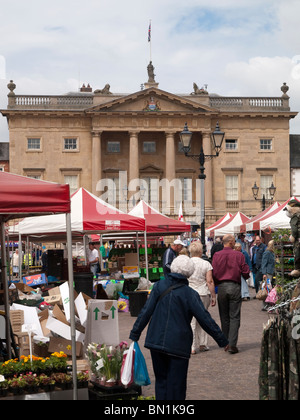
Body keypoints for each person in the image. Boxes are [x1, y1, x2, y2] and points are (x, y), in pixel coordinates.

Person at [129, 255, 229, 400]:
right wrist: (222, 339)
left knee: (161, 382)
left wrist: (135, 333)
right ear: (189, 273)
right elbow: (205, 319)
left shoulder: (158, 286)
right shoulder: (190, 294)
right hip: (178, 344)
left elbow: (146, 311)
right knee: (177, 386)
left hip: (156, 340)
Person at [212, 234, 250, 354]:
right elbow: (245, 271)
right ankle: (232, 343)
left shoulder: (217, 255)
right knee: (234, 316)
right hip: (234, 286)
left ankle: (226, 342)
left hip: (222, 286)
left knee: (224, 317)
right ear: (231, 242)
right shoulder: (238, 255)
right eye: (233, 241)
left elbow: (214, 271)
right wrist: (245, 275)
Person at [188, 241, 216, 354]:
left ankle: (192, 346)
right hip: (203, 293)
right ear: (201, 251)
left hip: (190, 293)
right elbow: (209, 281)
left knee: (191, 321)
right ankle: (203, 344)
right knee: (203, 319)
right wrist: (213, 296)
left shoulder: (187, 263)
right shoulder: (206, 264)